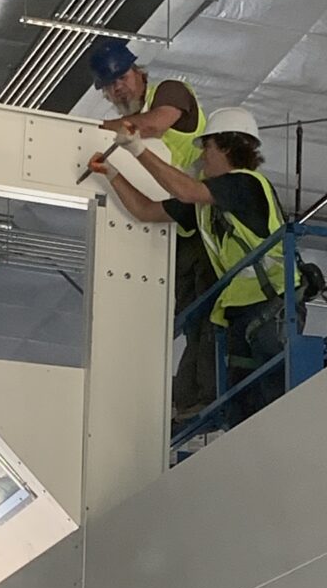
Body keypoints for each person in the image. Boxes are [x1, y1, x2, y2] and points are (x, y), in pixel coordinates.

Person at [88, 106, 303, 427]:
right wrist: (113, 175)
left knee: (275, 398)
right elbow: (146, 211)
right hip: (243, 310)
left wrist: (136, 148)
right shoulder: (206, 205)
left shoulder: (245, 184)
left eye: (208, 147)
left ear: (229, 146)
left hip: (274, 300)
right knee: (245, 407)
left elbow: (185, 190)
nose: (202, 157)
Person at [90, 41, 216, 419]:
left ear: (139, 73)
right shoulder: (131, 124)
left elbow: (152, 124)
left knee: (206, 316)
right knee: (189, 318)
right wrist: (111, 173)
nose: (119, 90)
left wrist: (93, 130)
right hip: (186, 222)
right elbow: (145, 210)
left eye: (123, 78)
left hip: (208, 211)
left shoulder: (169, 91)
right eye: (110, 87)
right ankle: (187, 399)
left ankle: (201, 395)